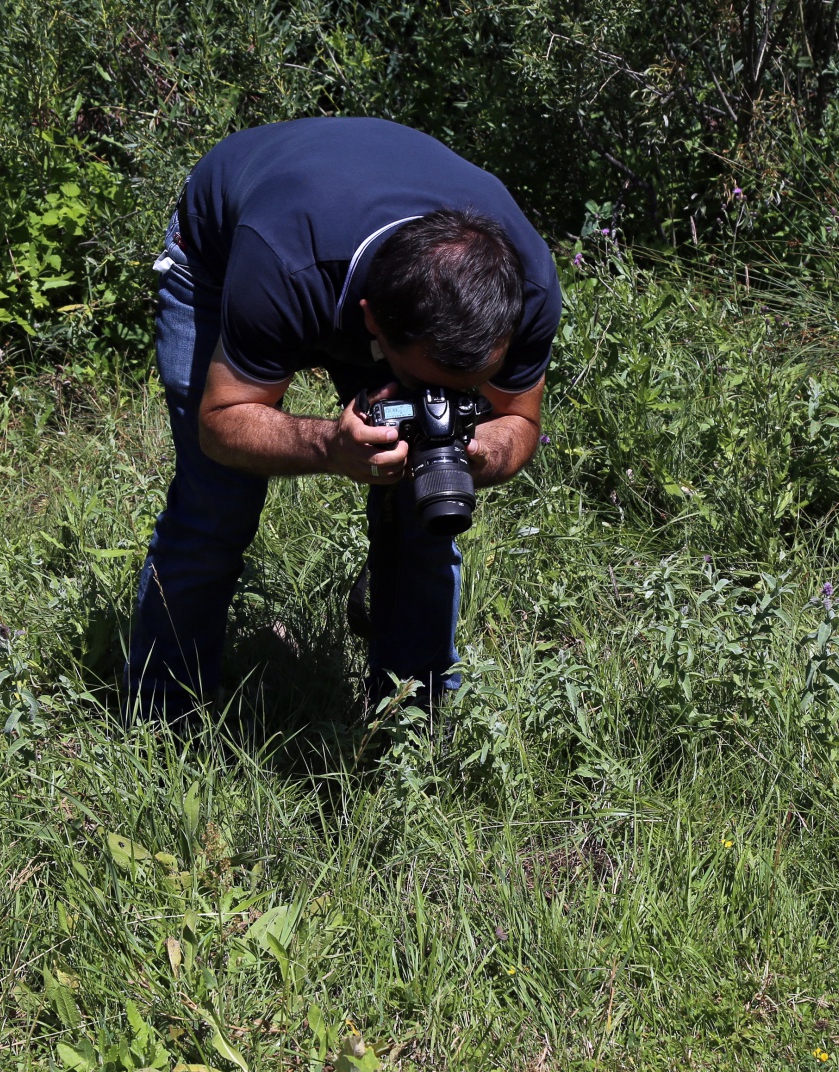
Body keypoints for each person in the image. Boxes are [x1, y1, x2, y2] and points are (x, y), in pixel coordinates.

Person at [128, 117, 562, 723]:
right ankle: (160, 723)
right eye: (427, 386)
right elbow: (221, 423)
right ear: (372, 325)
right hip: (226, 253)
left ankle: (411, 726)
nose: (438, 402)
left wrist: (468, 451)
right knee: (214, 508)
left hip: (359, 262)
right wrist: (332, 445)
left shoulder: (526, 287)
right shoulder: (282, 264)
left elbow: (519, 422)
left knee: (427, 517)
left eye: (460, 392)